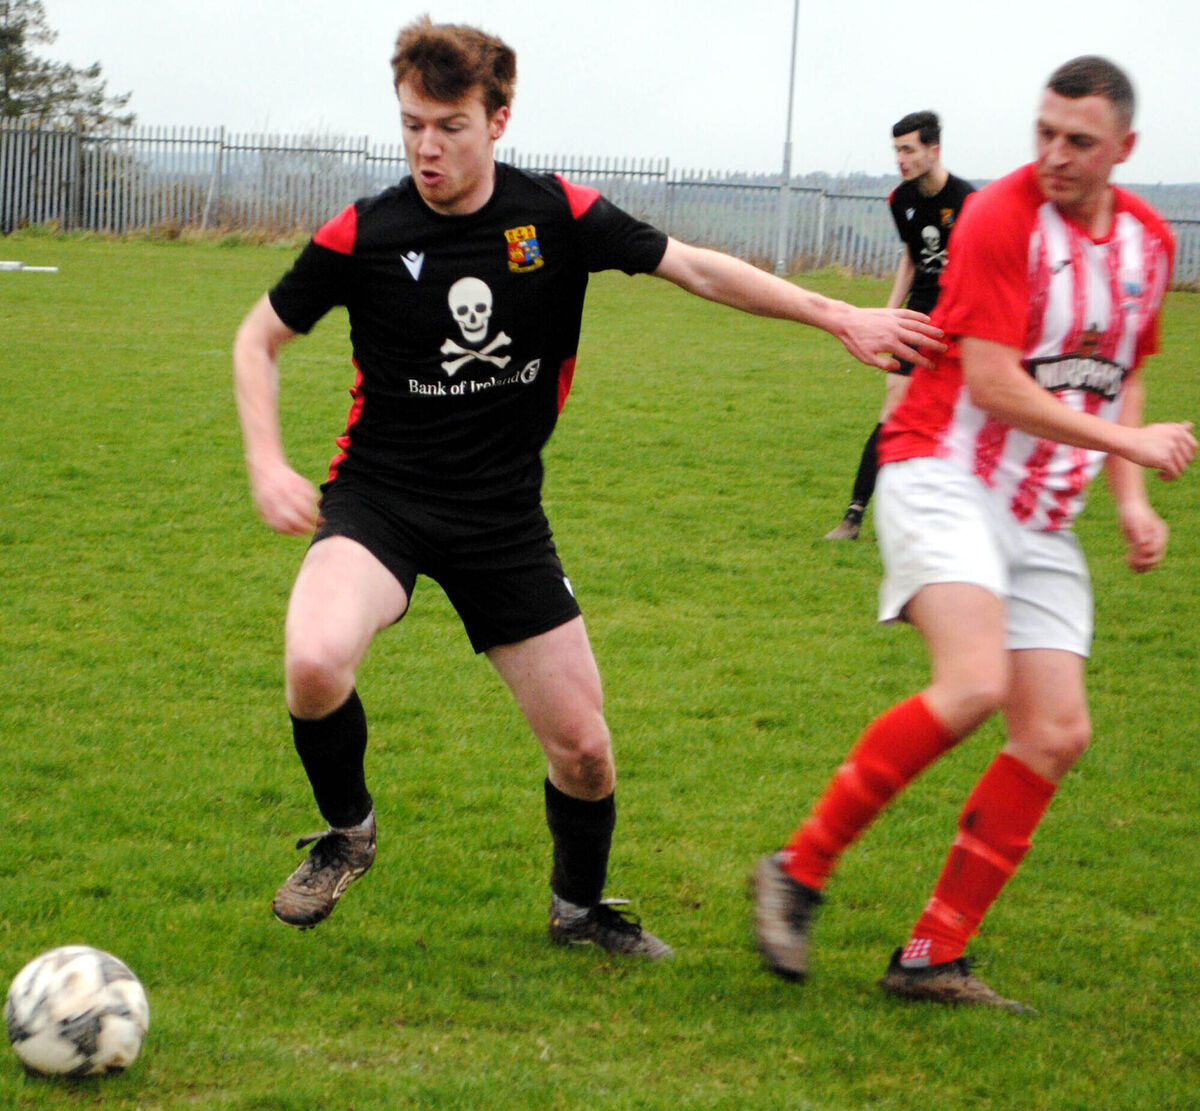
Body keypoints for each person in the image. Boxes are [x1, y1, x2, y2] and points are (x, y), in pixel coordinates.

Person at [233, 17, 942, 959]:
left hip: (502, 519)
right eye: (411, 125)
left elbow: (694, 267)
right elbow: (259, 337)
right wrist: (266, 460)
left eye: (449, 126)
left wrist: (835, 313)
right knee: (315, 658)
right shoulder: (366, 231)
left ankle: (579, 910)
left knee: (584, 748)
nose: (427, 147)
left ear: (498, 120)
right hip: (381, 502)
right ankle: (348, 832)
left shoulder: (556, 214)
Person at [756, 55, 1195, 1010]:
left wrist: (1131, 499)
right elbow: (994, 384)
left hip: (1041, 510)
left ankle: (932, 954)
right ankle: (798, 868)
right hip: (942, 469)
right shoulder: (1000, 217)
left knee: (1056, 731)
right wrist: (1130, 444)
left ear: (1125, 148)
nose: (1055, 154)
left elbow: (1120, 373)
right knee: (973, 681)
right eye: (1045, 133)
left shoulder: (1149, 243)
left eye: (1079, 141)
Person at [824, 111, 974, 540]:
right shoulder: (900, 199)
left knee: (961, 418)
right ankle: (854, 515)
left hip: (962, 317)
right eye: (897, 151)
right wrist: (887, 317)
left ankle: (956, 519)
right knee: (893, 410)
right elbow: (911, 258)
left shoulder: (968, 202)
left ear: (934, 150)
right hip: (919, 314)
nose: (901, 159)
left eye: (908, 150)